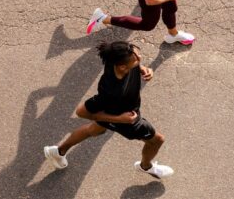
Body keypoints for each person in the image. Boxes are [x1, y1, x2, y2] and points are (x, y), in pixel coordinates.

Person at [43, 41, 174, 179]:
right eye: (136, 60)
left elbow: (133, 62)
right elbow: (81, 112)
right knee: (157, 140)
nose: (140, 58)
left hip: (118, 111)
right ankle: (145, 166)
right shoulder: (111, 93)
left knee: (95, 130)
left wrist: (143, 69)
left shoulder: (115, 58)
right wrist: (119, 119)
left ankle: (58, 152)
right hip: (127, 120)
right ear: (123, 67)